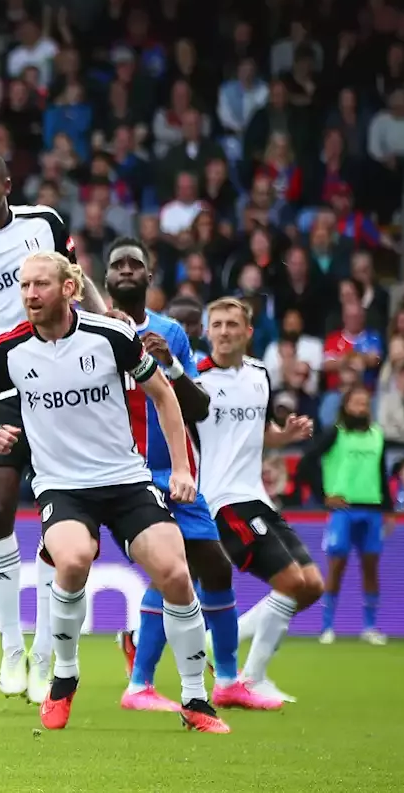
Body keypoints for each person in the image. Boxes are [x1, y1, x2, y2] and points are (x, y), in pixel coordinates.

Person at [0, 252, 228, 733]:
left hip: (126, 479)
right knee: (72, 560)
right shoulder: (8, 350)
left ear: (69, 289)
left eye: (40, 285)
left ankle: (196, 698)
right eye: (24, 286)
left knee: (176, 572)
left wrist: (181, 468)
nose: (30, 295)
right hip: (61, 486)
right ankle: (65, 675)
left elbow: (163, 395)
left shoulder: (112, 336)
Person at [0, 151, 106, 700]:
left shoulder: (44, 224)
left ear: (6, 185)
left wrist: (104, 325)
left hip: (60, 383)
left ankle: (48, 654)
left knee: (66, 520)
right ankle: (11, 649)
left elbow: (78, 282)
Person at [104, 238, 268, 712]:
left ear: (150, 276)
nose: (129, 269)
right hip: (126, 473)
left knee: (214, 566)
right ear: (107, 278)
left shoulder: (171, 331)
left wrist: (169, 365)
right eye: (119, 264)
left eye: (137, 262)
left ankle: (228, 680)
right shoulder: (91, 332)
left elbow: (198, 406)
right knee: (170, 565)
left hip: (176, 470)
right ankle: (141, 684)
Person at [196, 297, 324, 703]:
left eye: (232, 324)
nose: (224, 331)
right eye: (216, 324)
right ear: (207, 331)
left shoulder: (259, 374)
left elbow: (260, 430)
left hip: (258, 497)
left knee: (312, 586)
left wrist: (284, 436)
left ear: (248, 332)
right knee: (290, 583)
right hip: (221, 500)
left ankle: (221, 649)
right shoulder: (196, 380)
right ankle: (248, 674)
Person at [298, 384, 391, 646]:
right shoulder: (334, 434)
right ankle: (327, 627)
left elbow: (382, 474)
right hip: (343, 510)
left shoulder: (377, 436)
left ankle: (370, 627)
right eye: (356, 403)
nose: (361, 407)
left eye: (364, 403)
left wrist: (390, 510)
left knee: (371, 567)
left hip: (372, 508)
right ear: (346, 407)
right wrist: (323, 494)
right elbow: (307, 462)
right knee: (337, 566)